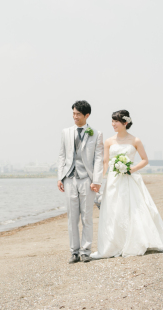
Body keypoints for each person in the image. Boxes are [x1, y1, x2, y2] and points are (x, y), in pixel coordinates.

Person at [93, 110, 163, 259]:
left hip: (129, 178)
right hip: (114, 179)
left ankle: (135, 241)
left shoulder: (135, 140)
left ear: (125, 123)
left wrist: (131, 169)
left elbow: (145, 160)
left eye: (116, 121)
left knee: (133, 209)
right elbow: (106, 162)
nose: (113, 124)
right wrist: (98, 180)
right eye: (112, 121)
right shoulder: (108, 141)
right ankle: (115, 244)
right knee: (114, 209)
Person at [57, 100, 104, 264]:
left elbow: (98, 159)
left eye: (78, 114)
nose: (74, 117)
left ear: (87, 115)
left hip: (87, 180)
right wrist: (60, 177)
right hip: (69, 178)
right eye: (73, 114)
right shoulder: (66, 132)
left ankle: (85, 251)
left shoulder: (96, 134)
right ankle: (74, 252)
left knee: (87, 217)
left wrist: (97, 180)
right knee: (72, 218)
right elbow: (62, 155)